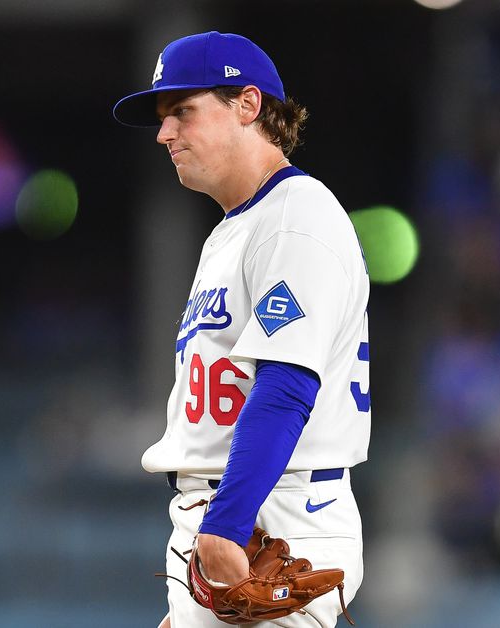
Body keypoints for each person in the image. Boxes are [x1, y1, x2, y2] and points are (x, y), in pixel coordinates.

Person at [113, 32, 370, 627]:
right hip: (232, 508)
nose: (164, 134)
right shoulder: (238, 227)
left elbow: (285, 385)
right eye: (161, 118)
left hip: (270, 514)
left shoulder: (296, 216)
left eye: (182, 111)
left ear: (248, 106)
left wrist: (225, 524)